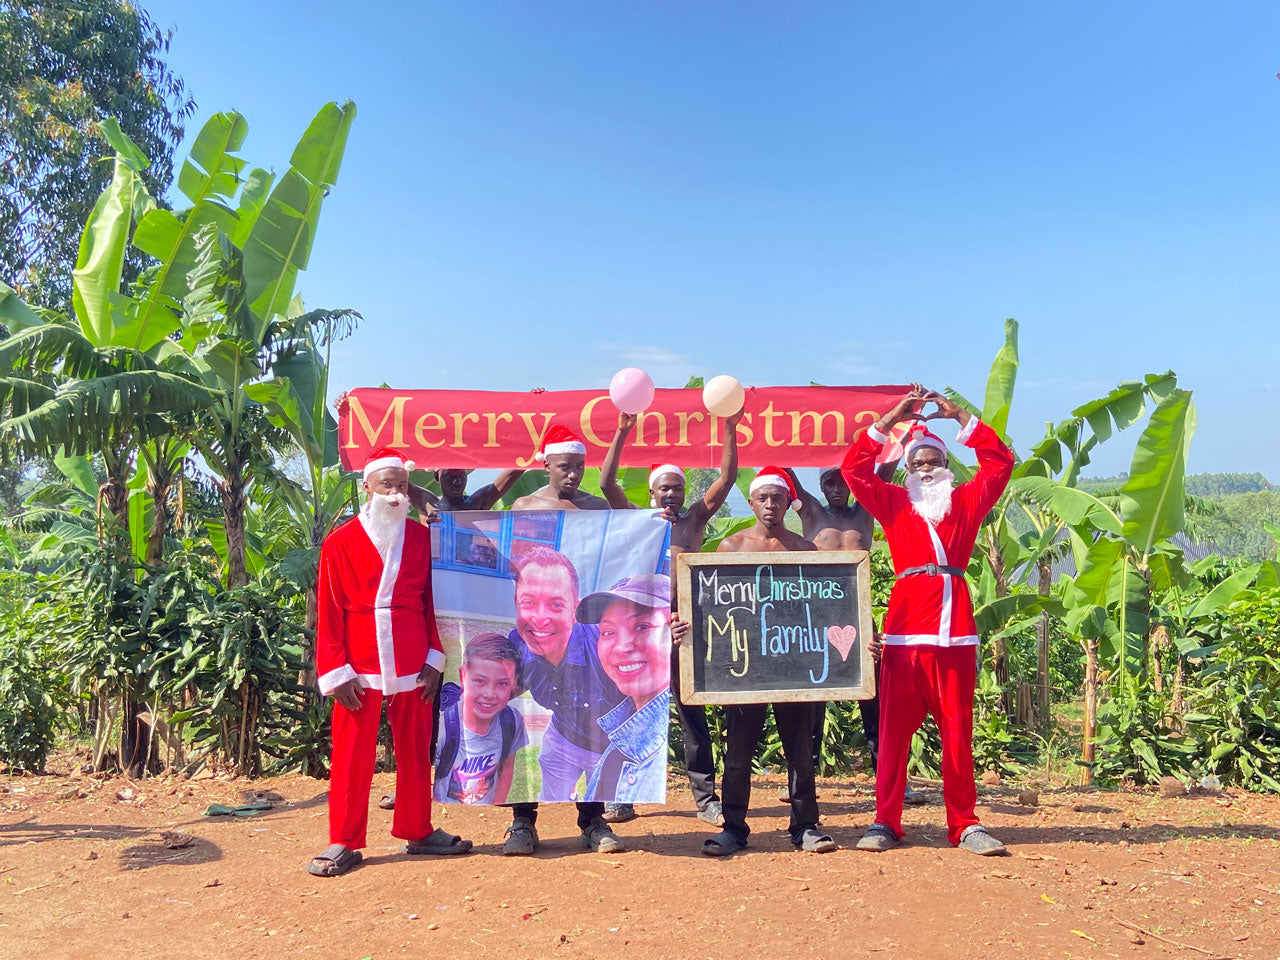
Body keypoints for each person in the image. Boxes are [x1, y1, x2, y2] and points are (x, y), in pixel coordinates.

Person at [843, 385, 1014, 857]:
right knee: (894, 733)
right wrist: (892, 418)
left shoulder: (966, 502)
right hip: (904, 634)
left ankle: (964, 824)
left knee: (958, 733)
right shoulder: (894, 502)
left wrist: (961, 417)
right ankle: (885, 821)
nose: (923, 468)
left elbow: (1002, 464)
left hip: (954, 634)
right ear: (907, 468)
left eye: (930, 461)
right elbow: (852, 470)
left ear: (945, 465)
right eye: (915, 462)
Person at [307, 447, 472, 877]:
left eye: (402, 485)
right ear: (368, 488)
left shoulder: (421, 539)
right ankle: (343, 839)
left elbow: (433, 603)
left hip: (414, 656)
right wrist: (334, 670)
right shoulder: (339, 542)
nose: (396, 493)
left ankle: (418, 829)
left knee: (417, 750)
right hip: (357, 662)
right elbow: (328, 612)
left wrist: (437, 659)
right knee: (350, 753)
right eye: (387, 485)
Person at [674, 466, 836, 857]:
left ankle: (805, 826)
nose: (770, 505)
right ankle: (733, 828)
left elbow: (825, 609)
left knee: (800, 751)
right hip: (743, 667)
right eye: (762, 498)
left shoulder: (804, 549)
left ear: (788, 503)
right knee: (738, 752)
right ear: (751, 502)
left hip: (794, 663)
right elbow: (709, 604)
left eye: (777, 498)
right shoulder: (731, 548)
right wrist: (684, 626)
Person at [596, 409, 745, 826]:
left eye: (678, 489)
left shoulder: (694, 521)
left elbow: (726, 481)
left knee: (691, 714)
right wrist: (622, 431)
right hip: (643, 638)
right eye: (665, 489)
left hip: (684, 632)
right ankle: (622, 796)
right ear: (651, 493)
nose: (672, 496)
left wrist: (730, 429)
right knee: (630, 711)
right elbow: (607, 484)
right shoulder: (636, 521)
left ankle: (705, 798)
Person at [503, 424, 628, 856]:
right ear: (546, 465)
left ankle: (592, 821)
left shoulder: (595, 507)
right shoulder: (524, 506)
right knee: (517, 712)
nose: (572, 475)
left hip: (569, 619)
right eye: (563, 467)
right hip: (531, 618)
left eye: (578, 467)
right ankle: (522, 821)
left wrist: (660, 524)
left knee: (594, 702)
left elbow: (630, 537)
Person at [786, 465, 927, 807]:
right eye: (828, 483)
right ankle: (802, 779)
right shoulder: (811, 511)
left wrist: (895, 428)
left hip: (858, 616)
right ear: (820, 487)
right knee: (811, 702)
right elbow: (786, 474)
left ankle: (892, 779)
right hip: (816, 618)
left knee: (875, 703)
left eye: (841, 482)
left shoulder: (865, 511)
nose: (836, 488)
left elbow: (885, 469)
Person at [577, 575, 674, 804]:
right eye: (608, 632)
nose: (621, 647)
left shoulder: (664, 748)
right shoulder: (623, 731)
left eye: (642, 626)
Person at [433, 633, 529, 806]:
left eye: (502, 683)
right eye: (480, 681)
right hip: (447, 815)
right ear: (463, 677)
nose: (489, 694)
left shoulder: (512, 721)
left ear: (514, 682)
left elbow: (507, 767)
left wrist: (497, 807)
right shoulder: (443, 726)